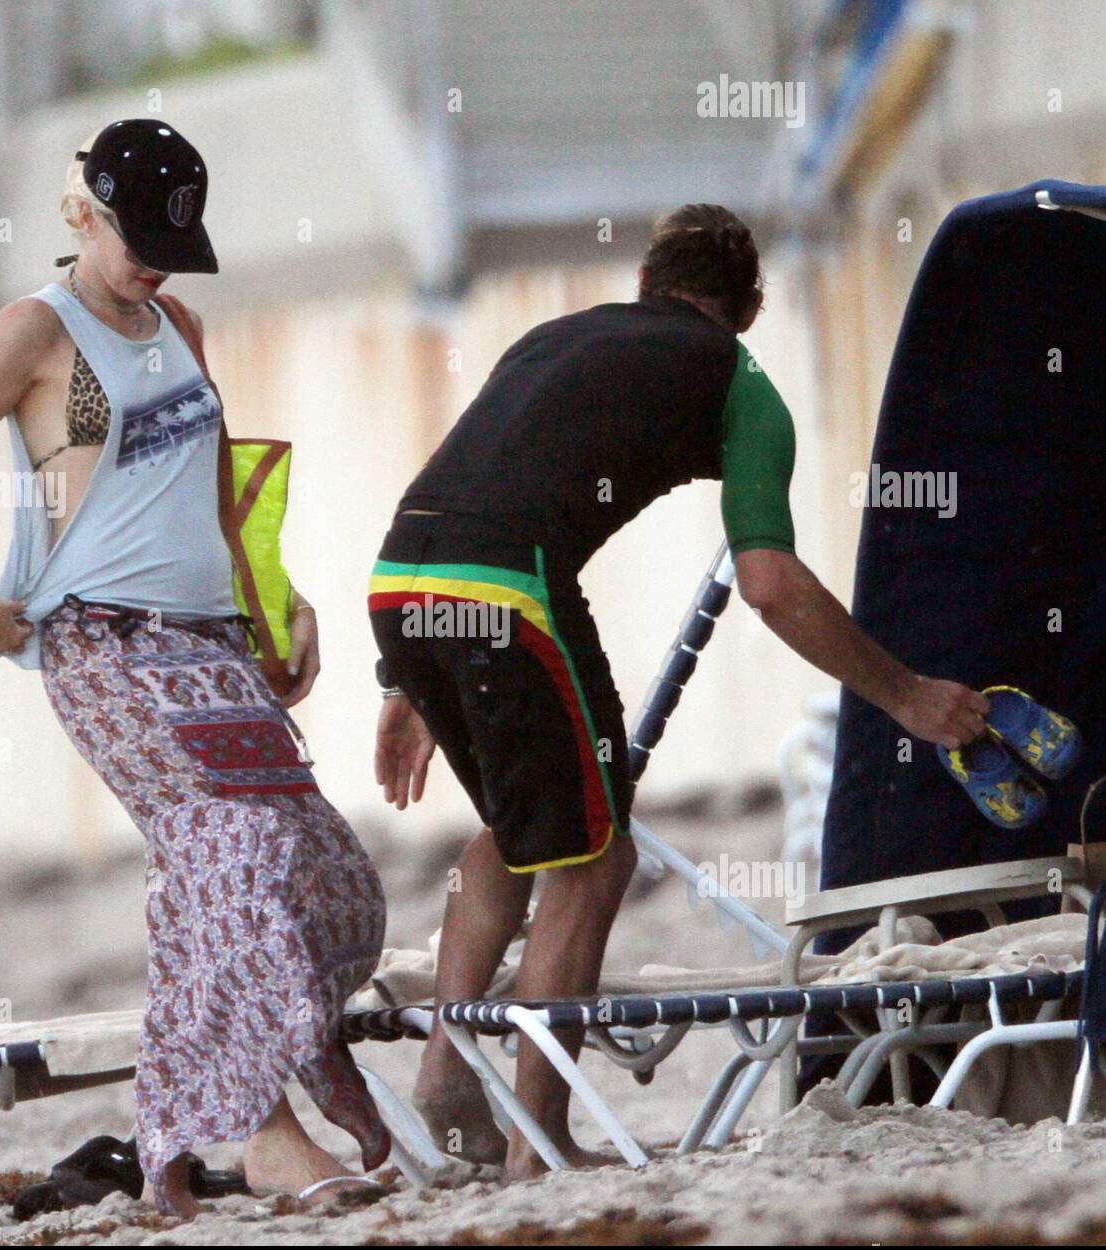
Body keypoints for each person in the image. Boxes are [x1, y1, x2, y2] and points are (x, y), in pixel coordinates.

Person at [369, 203, 989, 1180]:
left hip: (400, 580)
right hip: (509, 591)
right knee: (595, 855)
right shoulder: (740, 383)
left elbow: (467, 482)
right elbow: (770, 582)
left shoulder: (553, 338)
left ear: (649, 285)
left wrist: (405, 670)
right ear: (747, 305)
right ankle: (538, 1145)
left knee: (526, 830)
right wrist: (907, 695)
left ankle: (450, 1077)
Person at [0, 119, 388, 1216]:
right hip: (103, 643)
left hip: (211, 643)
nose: (157, 260)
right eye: (139, 237)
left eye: (176, 238)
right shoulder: (35, 328)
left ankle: (191, 1119)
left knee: (331, 876)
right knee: (230, 843)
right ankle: (265, 1133)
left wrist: (279, 599)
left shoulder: (181, 322)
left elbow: (216, 489)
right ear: (84, 214)